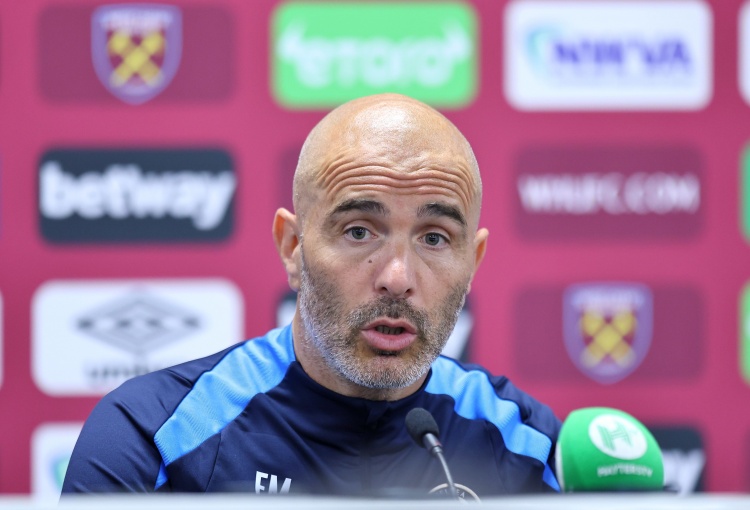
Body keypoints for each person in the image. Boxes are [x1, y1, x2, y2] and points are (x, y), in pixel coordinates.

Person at [62, 93, 561, 498]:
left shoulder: (530, 447)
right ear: (293, 246)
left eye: (434, 238)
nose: (397, 277)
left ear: (472, 263)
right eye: (359, 231)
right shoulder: (153, 436)